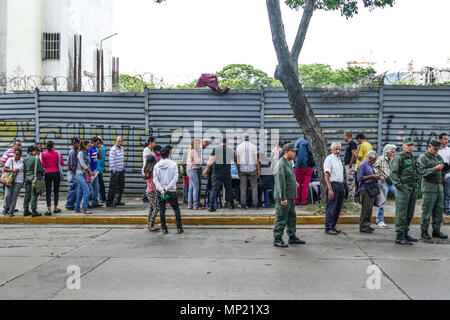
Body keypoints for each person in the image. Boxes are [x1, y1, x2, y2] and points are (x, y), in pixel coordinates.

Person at [273, 143, 306, 248]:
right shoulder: (281, 165)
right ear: (286, 152)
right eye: (293, 151)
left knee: (292, 217)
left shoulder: (289, 163)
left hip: (290, 196)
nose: (295, 153)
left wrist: (294, 182)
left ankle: (292, 237)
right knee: (281, 217)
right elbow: (280, 183)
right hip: (284, 197)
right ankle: (277, 238)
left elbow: (290, 176)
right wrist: (283, 198)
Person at [390, 137, 420, 245]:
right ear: (403, 146)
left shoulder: (412, 157)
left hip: (412, 188)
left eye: (411, 145)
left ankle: (406, 233)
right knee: (402, 212)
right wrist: (400, 186)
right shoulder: (398, 158)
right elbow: (393, 173)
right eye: (407, 145)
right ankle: (400, 236)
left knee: (410, 213)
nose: (409, 147)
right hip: (404, 189)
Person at [417, 140, 450, 240]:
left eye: (437, 149)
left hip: (439, 187)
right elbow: (422, 172)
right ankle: (424, 231)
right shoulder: (423, 158)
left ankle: (436, 230)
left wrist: (445, 168)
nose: (436, 151)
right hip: (429, 187)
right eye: (434, 149)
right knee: (427, 211)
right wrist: (435, 169)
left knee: (438, 210)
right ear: (429, 146)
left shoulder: (438, 157)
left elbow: (443, 171)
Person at [153, 147, 184, 234]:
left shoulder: (156, 166)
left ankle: (164, 228)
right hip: (171, 191)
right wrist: (167, 188)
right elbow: (175, 178)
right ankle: (179, 227)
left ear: (161, 155)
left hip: (161, 191)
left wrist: (162, 190)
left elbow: (155, 180)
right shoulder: (173, 164)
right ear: (169, 154)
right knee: (176, 209)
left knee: (162, 210)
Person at [203, 138, 235, 212]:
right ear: (226, 142)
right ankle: (231, 204)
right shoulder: (230, 151)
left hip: (216, 172)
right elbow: (232, 162)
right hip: (226, 172)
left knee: (214, 189)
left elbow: (210, 161)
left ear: (220, 142)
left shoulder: (216, 149)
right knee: (229, 188)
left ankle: (211, 206)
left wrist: (206, 170)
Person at [373, 144, 397, 228]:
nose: (394, 154)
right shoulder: (380, 159)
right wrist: (379, 176)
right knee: (382, 201)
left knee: (400, 199)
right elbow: (373, 167)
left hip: (392, 182)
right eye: (392, 152)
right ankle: (379, 221)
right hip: (383, 182)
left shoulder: (394, 159)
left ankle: (399, 220)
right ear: (387, 152)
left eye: (394, 152)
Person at [356, 151, 380, 233]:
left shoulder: (369, 165)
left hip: (371, 188)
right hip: (365, 189)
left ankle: (367, 225)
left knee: (369, 209)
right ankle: (363, 226)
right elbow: (359, 178)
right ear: (370, 158)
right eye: (374, 160)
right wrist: (372, 176)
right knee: (366, 209)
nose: (375, 161)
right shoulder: (363, 165)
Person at [324, 142, 345, 235]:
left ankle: (333, 226)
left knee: (337, 208)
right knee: (331, 208)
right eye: (336, 149)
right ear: (332, 150)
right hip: (333, 185)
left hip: (340, 185)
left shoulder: (339, 159)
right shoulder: (329, 159)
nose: (338, 151)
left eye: (339, 149)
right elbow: (327, 174)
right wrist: (330, 189)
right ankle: (328, 227)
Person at [236, 136, 260, 210]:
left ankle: (243, 205)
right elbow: (256, 159)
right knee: (254, 187)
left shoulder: (239, 147)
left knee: (243, 187)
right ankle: (255, 205)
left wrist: (238, 170)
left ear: (243, 139)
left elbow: (237, 160)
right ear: (249, 139)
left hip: (242, 169)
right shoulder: (253, 146)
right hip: (252, 169)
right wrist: (258, 169)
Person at [41, 141, 64, 215]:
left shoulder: (43, 154)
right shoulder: (58, 153)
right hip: (56, 173)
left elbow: (43, 165)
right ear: (53, 145)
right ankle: (55, 208)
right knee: (56, 191)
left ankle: (48, 210)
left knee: (48, 192)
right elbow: (62, 163)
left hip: (47, 173)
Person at [23, 145, 45, 217]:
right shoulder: (36, 158)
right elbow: (41, 169)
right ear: (35, 151)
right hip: (34, 178)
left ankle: (25, 210)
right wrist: (44, 170)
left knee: (27, 193)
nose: (39, 152)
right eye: (38, 151)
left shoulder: (25, 158)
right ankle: (33, 210)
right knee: (34, 194)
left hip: (27, 177)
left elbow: (24, 169)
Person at [3, 149, 24, 217]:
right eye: (16, 154)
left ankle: (11, 210)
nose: (17, 156)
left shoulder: (22, 161)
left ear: (21, 155)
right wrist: (12, 170)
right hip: (9, 180)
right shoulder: (10, 160)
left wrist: (23, 181)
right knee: (7, 195)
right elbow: (5, 168)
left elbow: (23, 171)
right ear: (14, 154)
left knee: (14, 196)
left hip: (19, 180)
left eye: (19, 155)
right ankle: (6, 207)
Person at [75, 140, 94, 214]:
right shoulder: (80, 153)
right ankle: (85, 209)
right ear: (84, 146)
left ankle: (77, 208)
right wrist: (89, 170)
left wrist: (90, 172)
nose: (89, 147)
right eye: (88, 145)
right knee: (87, 190)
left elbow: (88, 163)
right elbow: (82, 163)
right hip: (79, 174)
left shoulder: (87, 153)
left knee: (80, 192)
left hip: (84, 174)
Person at [293, 135, 313, 205]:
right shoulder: (312, 142)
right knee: (305, 184)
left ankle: (296, 200)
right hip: (309, 166)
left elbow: (294, 152)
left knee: (298, 184)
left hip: (299, 166)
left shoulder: (299, 141)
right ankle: (304, 201)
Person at [106, 136, 125, 208]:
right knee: (113, 187)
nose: (120, 143)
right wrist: (114, 171)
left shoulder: (122, 148)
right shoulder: (113, 150)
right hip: (115, 171)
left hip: (121, 170)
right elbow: (111, 161)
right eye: (118, 141)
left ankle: (117, 201)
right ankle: (109, 202)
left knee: (121, 186)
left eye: (121, 141)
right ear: (115, 141)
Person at [144, 155, 160, 232]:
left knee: (151, 208)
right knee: (157, 208)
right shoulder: (153, 170)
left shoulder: (146, 169)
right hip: (152, 191)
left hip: (149, 191)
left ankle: (149, 224)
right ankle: (151, 225)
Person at [187, 138, 203, 210]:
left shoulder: (191, 150)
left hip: (190, 170)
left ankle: (190, 204)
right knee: (196, 187)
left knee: (191, 188)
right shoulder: (194, 151)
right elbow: (197, 161)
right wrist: (201, 161)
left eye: (199, 143)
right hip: (193, 170)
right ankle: (196, 205)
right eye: (197, 143)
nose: (198, 145)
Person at [65, 137, 80, 210]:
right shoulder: (73, 152)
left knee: (74, 188)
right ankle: (69, 204)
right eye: (77, 143)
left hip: (73, 172)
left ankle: (72, 203)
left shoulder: (76, 151)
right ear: (73, 144)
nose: (78, 144)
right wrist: (76, 173)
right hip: (72, 173)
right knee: (72, 188)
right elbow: (73, 165)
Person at [343, 131, 357, 203]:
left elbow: (354, 154)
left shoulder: (352, 143)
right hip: (347, 165)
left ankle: (351, 200)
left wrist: (351, 163)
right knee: (348, 182)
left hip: (350, 165)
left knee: (351, 182)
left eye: (344, 136)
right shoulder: (349, 144)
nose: (343, 137)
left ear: (347, 136)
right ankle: (349, 198)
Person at [88, 136, 102, 208]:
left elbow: (100, 157)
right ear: (93, 142)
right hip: (91, 172)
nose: (98, 145)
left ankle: (95, 202)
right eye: (97, 143)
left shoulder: (95, 149)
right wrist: (90, 171)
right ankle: (87, 202)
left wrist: (99, 150)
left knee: (96, 188)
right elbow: (88, 161)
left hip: (95, 172)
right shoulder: (89, 149)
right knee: (89, 188)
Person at [438, 133, 450, 216]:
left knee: (447, 194)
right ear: (440, 140)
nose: (447, 140)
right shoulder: (436, 150)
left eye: (447, 139)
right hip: (438, 175)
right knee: (438, 193)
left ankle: (446, 209)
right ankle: (438, 209)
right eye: (445, 139)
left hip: (448, 175)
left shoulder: (449, 150)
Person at [142, 136, 157, 203]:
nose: (155, 144)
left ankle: (146, 198)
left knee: (149, 184)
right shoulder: (146, 150)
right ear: (150, 142)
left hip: (151, 170)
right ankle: (145, 198)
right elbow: (150, 157)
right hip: (147, 170)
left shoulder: (152, 150)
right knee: (148, 185)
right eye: (154, 142)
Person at [96, 136, 107, 204]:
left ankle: (101, 197)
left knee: (98, 184)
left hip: (97, 168)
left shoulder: (99, 148)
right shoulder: (103, 148)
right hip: (100, 167)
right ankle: (103, 197)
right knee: (100, 183)